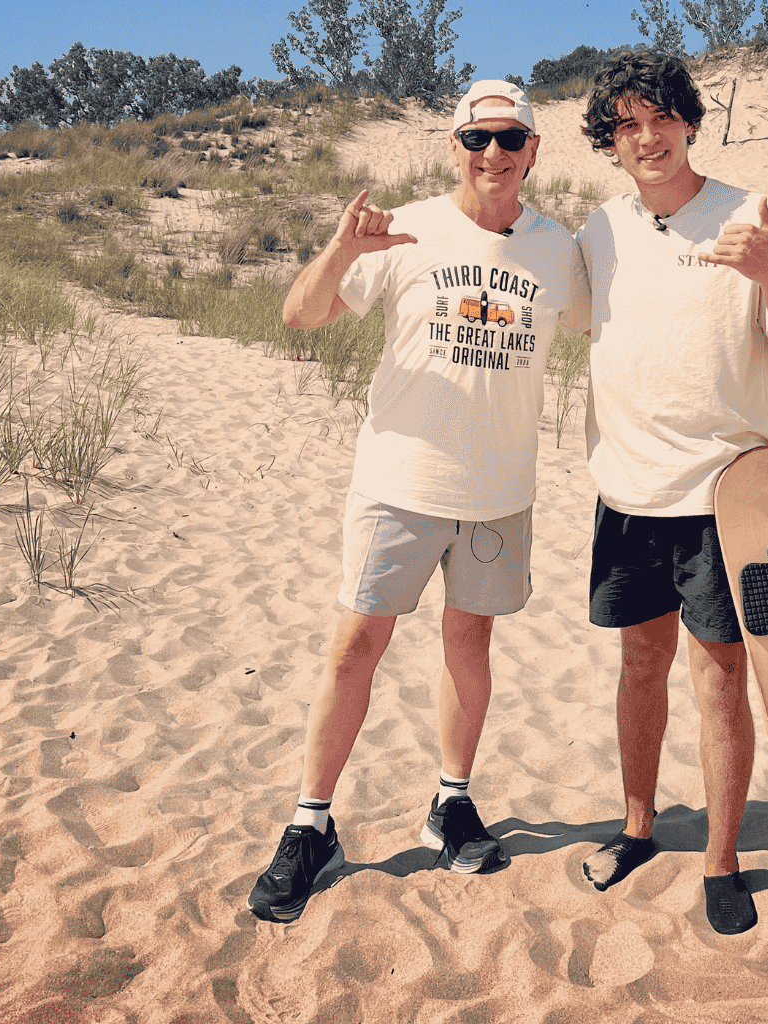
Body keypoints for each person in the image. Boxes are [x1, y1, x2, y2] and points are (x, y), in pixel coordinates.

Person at [248, 80, 584, 923]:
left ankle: (452, 802)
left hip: (499, 494)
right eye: (478, 140)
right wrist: (339, 248)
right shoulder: (406, 229)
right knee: (355, 646)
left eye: (511, 139)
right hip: (399, 484)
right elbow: (299, 315)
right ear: (455, 148)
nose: (494, 156)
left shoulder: (559, 252)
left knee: (469, 645)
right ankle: (310, 824)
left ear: (534, 150)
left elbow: (623, 325)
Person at [567, 51, 768, 935]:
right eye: (627, 125)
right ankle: (637, 826)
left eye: (662, 118)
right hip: (626, 491)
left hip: (727, 499)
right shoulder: (597, 232)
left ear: (689, 120)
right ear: (609, 141)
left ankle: (721, 861)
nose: (648, 139)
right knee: (640, 663)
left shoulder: (756, 216)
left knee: (719, 678)